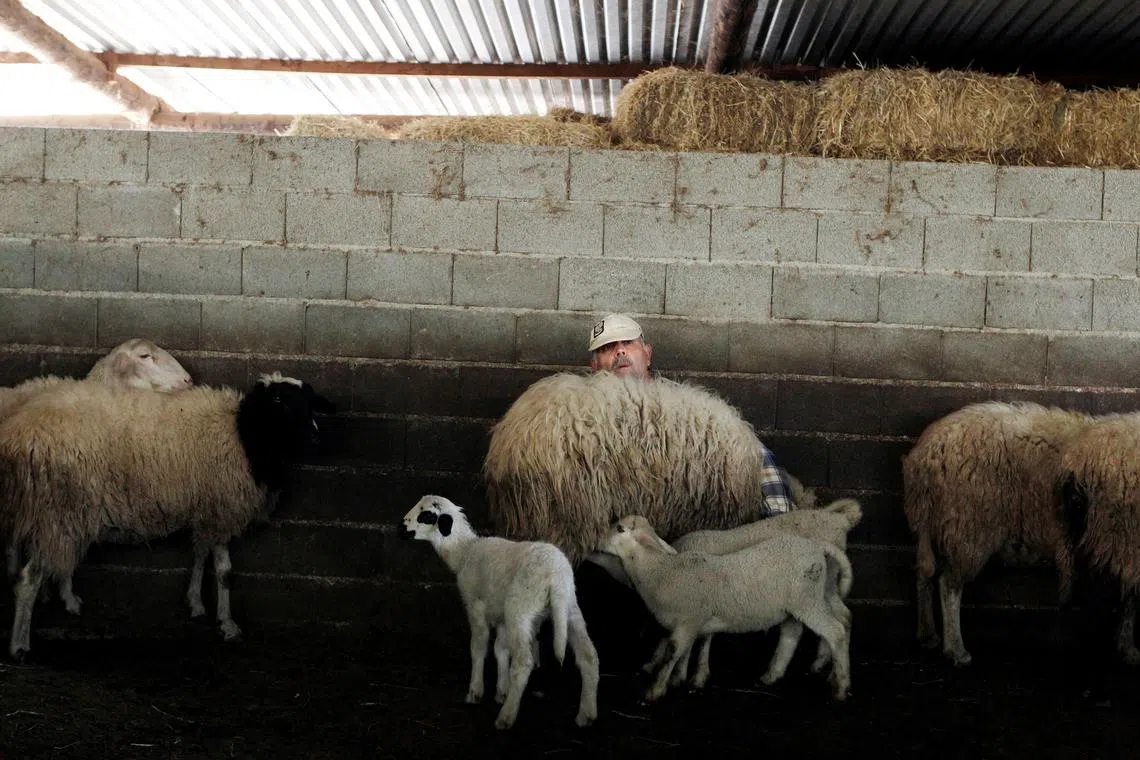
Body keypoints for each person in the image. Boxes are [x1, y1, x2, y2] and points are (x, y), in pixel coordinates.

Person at [587, 312, 795, 515]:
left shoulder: (684, 405)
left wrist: (780, 515)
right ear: (595, 367)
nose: (620, 352)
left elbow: (748, 449)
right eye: (608, 348)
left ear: (648, 355)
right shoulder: (584, 415)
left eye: (628, 343)